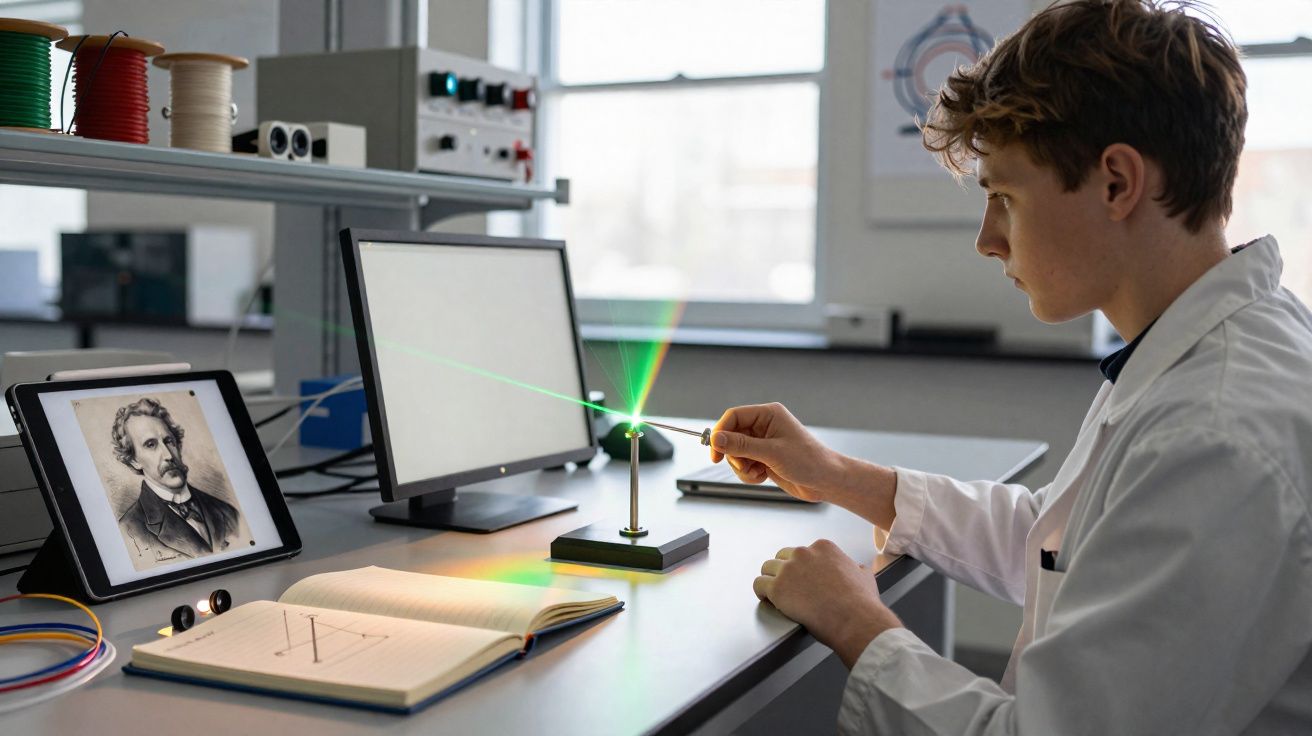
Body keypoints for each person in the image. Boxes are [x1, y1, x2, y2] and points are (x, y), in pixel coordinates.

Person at [711, 1, 1312, 733]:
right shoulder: (1201, 349)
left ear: (1117, 183)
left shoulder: (1214, 433)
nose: (987, 239)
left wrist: (856, 622)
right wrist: (834, 474)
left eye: (1003, 196)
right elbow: (1063, 547)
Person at [112, 397, 241, 562]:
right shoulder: (129, 531)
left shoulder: (228, 513)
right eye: (150, 444)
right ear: (133, 460)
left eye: (169, 441)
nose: (168, 455)